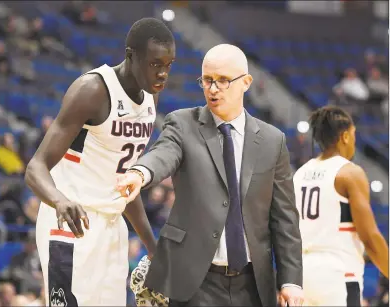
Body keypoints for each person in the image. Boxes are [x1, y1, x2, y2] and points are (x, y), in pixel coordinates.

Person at [117, 44, 304, 307]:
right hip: (194, 281)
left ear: (246, 82)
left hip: (253, 284)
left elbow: (285, 218)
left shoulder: (274, 141)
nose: (213, 89)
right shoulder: (182, 123)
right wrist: (140, 172)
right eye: (207, 80)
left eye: (223, 81)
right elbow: (163, 153)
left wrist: (291, 281)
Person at [24, 17, 175, 306]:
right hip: (71, 222)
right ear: (131, 56)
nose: (163, 74)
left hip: (112, 225)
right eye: (156, 64)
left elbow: (123, 180)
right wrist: (58, 200)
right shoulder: (92, 89)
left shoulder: (150, 101)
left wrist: (153, 248)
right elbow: (35, 168)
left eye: (169, 65)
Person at [293, 106, 389, 306]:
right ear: (345, 136)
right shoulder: (349, 172)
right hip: (337, 275)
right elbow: (370, 237)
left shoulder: (300, 173)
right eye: (353, 135)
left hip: (302, 275)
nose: (354, 141)